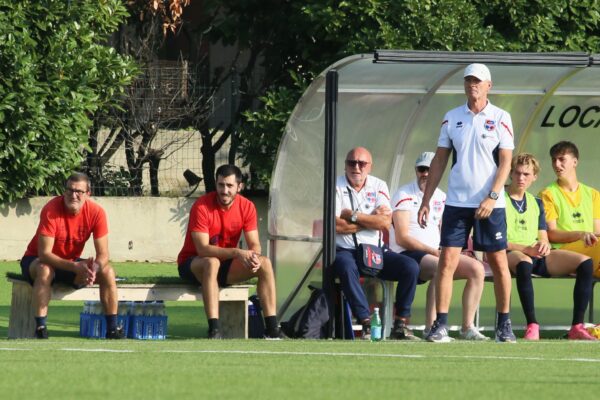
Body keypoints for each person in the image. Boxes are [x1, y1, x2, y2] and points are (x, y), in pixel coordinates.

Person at [418, 63, 517, 342]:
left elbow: (506, 162)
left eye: (478, 81)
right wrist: (426, 200)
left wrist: (493, 196)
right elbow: (439, 161)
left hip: (490, 204)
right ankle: (441, 325)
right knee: (446, 262)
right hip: (457, 202)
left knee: (498, 263)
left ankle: (504, 325)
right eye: (468, 81)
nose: (472, 85)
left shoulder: (500, 117)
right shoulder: (451, 117)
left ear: (489, 86)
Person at [177, 164, 283, 339]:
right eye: (220, 185)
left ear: (239, 187)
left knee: (265, 263)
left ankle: (272, 330)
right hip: (194, 263)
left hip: (224, 265)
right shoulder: (201, 206)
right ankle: (214, 330)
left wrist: (253, 256)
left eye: (229, 186)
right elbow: (203, 250)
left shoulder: (247, 207)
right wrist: (236, 253)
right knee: (212, 262)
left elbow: (254, 244)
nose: (224, 191)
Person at [390, 151, 488, 340]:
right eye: (421, 169)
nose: (425, 174)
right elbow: (402, 238)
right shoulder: (404, 194)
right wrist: (434, 252)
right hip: (407, 254)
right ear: (416, 171)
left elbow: (448, 232)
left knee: (477, 269)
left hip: (435, 253)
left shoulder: (443, 197)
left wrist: (452, 251)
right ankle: (432, 327)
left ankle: (467, 327)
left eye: (430, 169)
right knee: (442, 267)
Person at [21, 172, 123, 339]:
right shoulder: (51, 209)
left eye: (79, 192)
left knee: (108, 272)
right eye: (69, 190)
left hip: (69, 263)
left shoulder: (97, 212)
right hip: (36, 260)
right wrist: (76, 267)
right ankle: (40, 328)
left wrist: (94, 270)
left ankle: (112, 329)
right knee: (45, 269)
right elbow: (44, 254)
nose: (73, 195)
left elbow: (104, 254)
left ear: (88, 194)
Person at [505, 153, 595, 340]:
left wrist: (544, 244)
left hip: (535, 253)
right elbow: (495, 241)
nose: (521, 178)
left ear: (534, 177)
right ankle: (532, 325)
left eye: (526, 174)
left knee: (586, 263)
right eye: (518, 173)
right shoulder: (498, 200)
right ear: (510, 173)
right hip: (509, 252)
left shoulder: (536, 202)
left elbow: (543, 236)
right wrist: (526, 249)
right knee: (524, 263)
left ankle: (576, 327)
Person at [334, 146, 421, 340]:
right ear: (345, 165)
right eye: (351, 163)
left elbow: (384, 222)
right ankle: (366, 323)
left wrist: (352, 215)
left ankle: (400, 324)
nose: (356, 167)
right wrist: (369, 220)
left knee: (410, 267)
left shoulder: (379, 185)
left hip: (375, 250)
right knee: (345, 266)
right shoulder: (335, 186)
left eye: (362, 163)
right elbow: (335, 226)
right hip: (346, 250)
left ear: (369, 167)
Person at [539, 141, 600, 279]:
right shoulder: (547, 194)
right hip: (562, 251)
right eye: (554, 160)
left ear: (575, 162)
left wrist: (588, 236)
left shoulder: (593, 194)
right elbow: (551, 234)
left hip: (592, 248)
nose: (556, 164)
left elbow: (597, 232)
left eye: (562, 159)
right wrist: (580, 234)